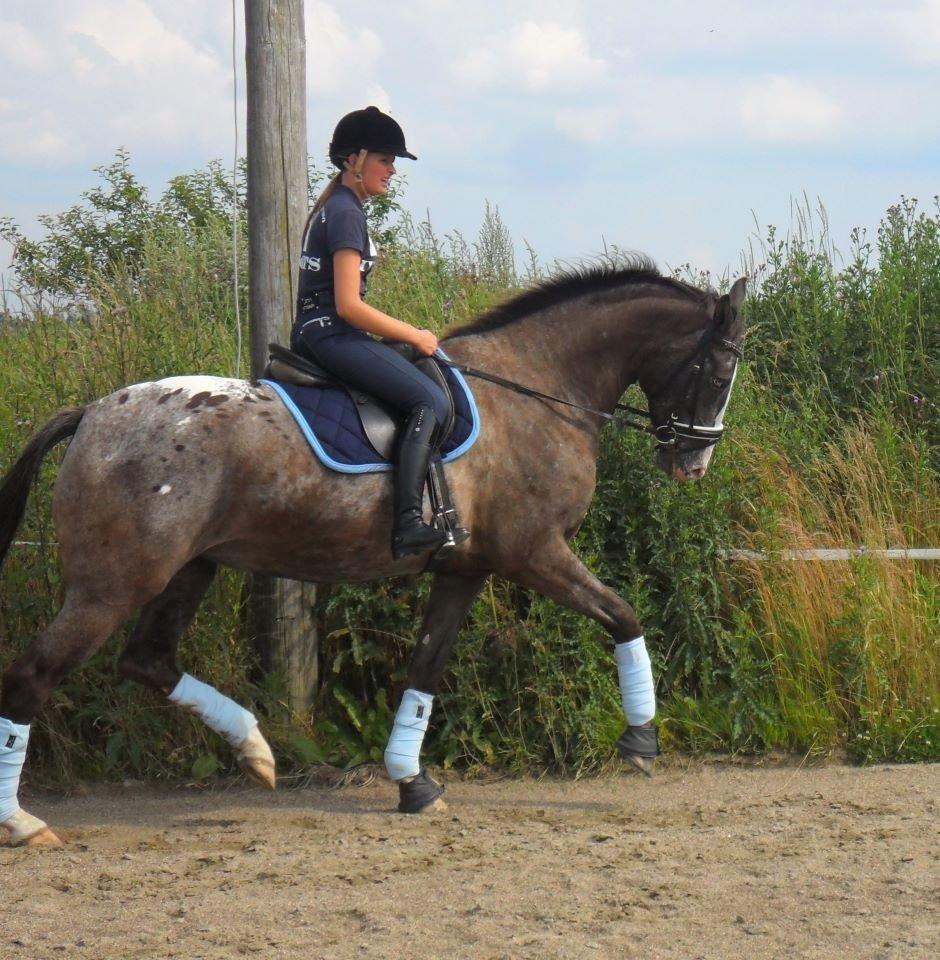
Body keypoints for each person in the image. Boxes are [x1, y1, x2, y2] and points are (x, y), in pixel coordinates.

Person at [290, 106, 457, 560]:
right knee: (431, 400)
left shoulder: (337, 206)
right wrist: (416, 334)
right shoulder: (346, 214)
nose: (392, 170)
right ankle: (406, 524)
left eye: (394, 161)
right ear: (354, 159)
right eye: (384, 159)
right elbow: (349, 306)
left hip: (319, 330)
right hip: (330, 334)